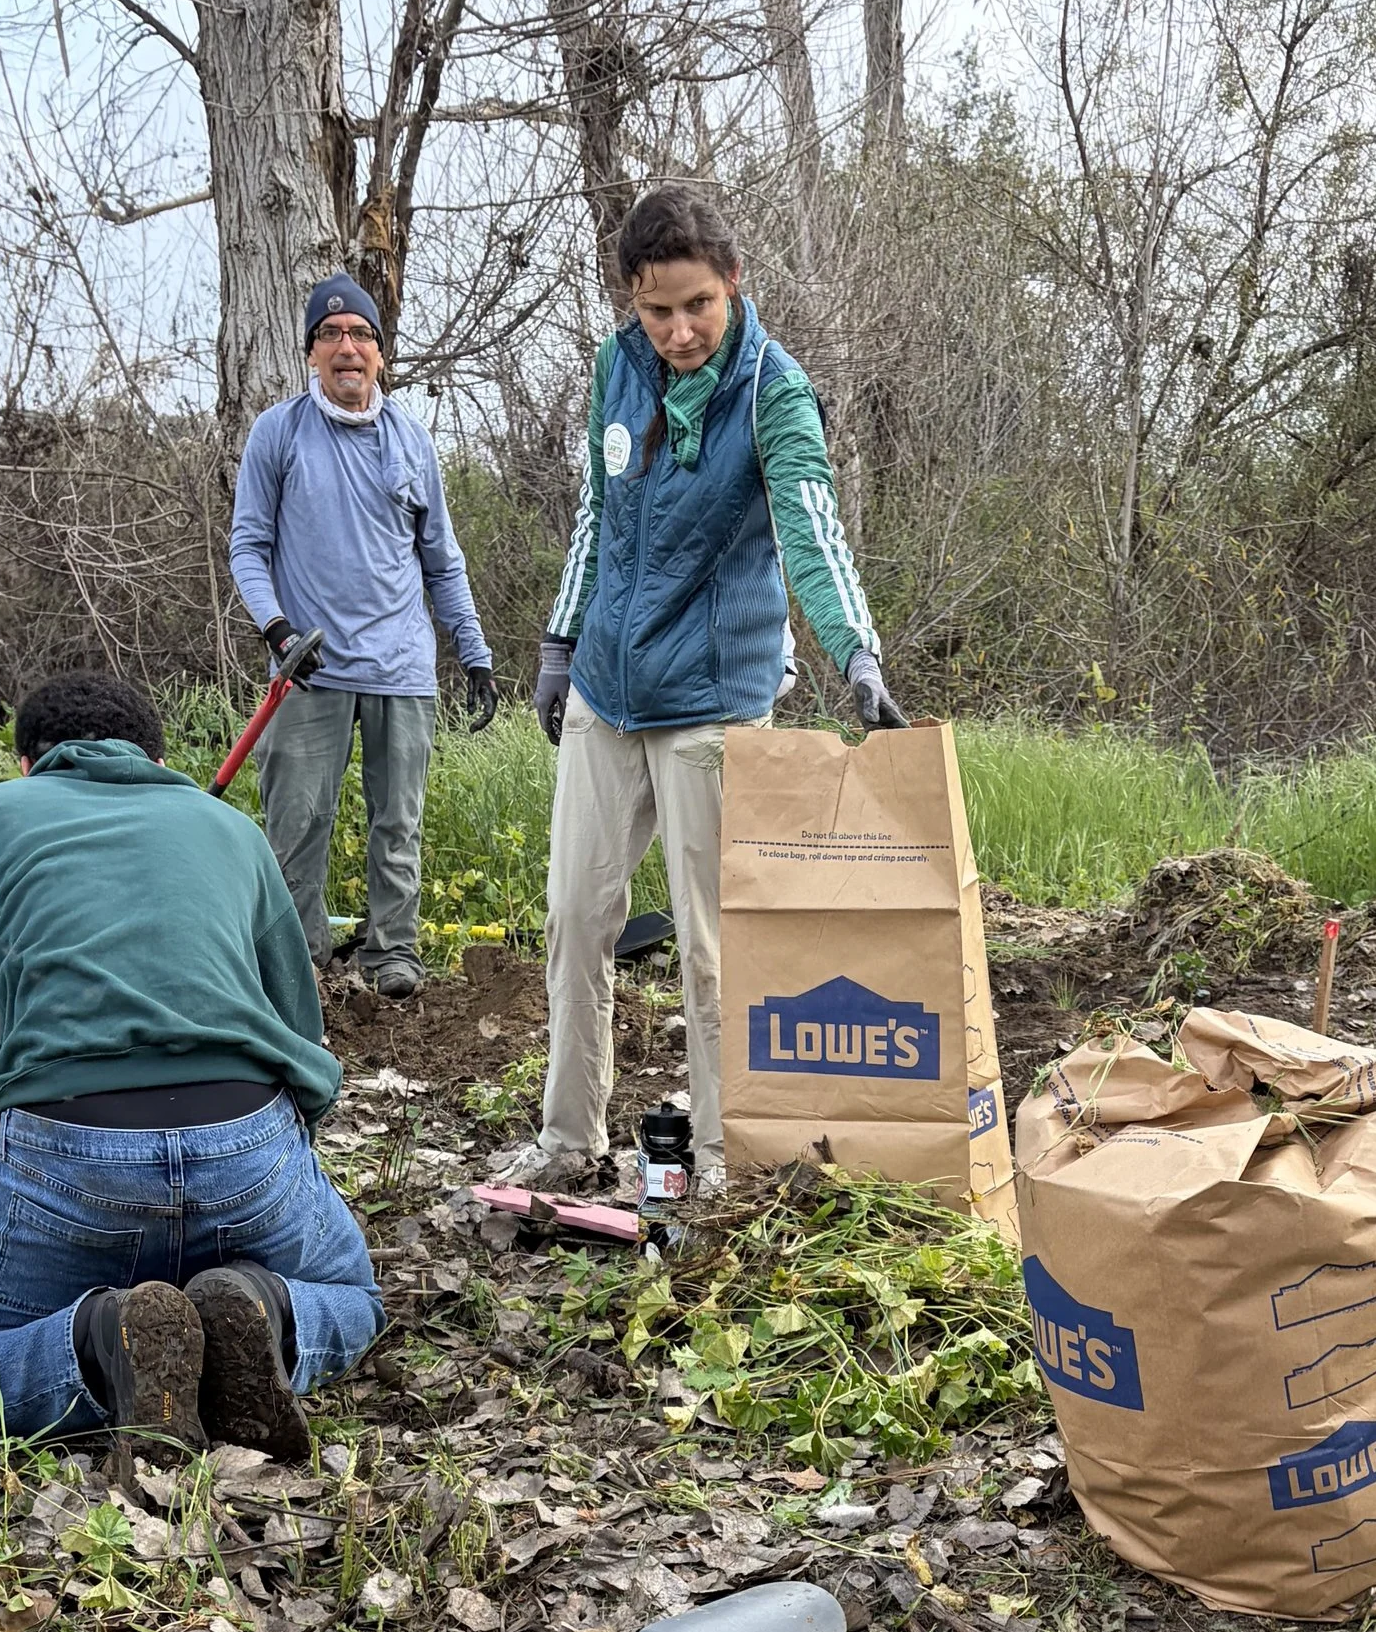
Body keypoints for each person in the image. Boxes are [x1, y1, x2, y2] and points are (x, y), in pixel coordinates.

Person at [494, 182, 905, 1201]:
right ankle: (567, 1138)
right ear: (631, 304)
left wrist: (858, 655)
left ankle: (721, 1154)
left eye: (697, 306)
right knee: (575, 918)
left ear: (733, 282)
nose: (678, 332)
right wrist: (558, 640)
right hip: (607, 687)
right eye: (656, 311)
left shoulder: (774, 391)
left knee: (712, 945)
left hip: (713, 704)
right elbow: (596, 514)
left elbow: (811, 528)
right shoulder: (617, 367)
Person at [0, 670, 382, 1465]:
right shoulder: (231, 830)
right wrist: (276, 1156)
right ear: (156, 760)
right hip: (247, 1143)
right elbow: (300, 1032)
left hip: (68, 1152)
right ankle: (264, 1307)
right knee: (354, 1295)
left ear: (26, 765)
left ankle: (98, 1342)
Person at [228, 271, 497, 1000]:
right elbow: (248, 546)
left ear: (380, 351)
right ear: (311, 351)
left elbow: (442, 560)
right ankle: (298, 965)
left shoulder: (412, 440)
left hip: (402, 668)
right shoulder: (279, 433)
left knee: (398, 824)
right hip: (308, 668)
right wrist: (277, 630)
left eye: (359, 335)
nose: (346, 348)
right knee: (296, 824)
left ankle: (392, 955)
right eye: (330, 335)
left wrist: (474, 652)